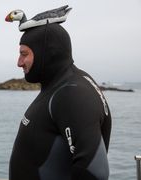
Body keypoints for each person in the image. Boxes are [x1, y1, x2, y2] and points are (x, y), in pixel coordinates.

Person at [8, 12, 112, 180]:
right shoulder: (61, 85)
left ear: (47, 52)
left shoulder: (71, 93)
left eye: (24, 54)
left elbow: (94, 172)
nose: (19, 62)